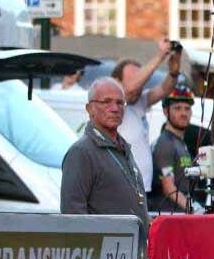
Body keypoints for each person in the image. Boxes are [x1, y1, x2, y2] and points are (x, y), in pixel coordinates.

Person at [61, 77, 149, 227]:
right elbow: (72, 214)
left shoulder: (123, 148)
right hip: (104, 242)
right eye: (106, 102)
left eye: (120, 103)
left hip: (132, 241)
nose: (115, 108)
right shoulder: (81, 152)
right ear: (90, 109)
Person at [113, 38, 182, 195]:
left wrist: (174, 71)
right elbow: (130, 89)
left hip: (142, 188)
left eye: (142, 80)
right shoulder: (115, 105)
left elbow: (165, 89)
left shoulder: (139, 102)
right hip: (124, 189)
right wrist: (160, 56)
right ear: (116, 82)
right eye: (135, 79)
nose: (139, 87)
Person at [149, 86, 197, 213]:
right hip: (168, 214)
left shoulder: (180, 142)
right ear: (166, 112)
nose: (183, 113)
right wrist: (194, 210)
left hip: (179, 213)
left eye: (187, 109)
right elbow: (169, 188)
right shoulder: (165, 143)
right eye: (177, 108)